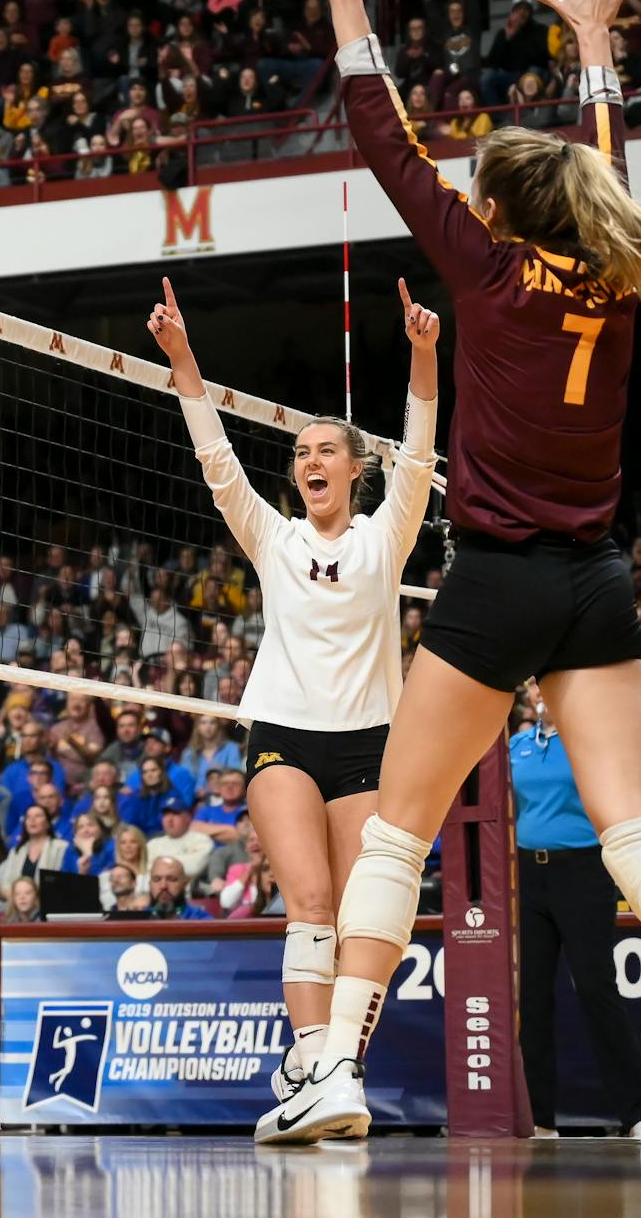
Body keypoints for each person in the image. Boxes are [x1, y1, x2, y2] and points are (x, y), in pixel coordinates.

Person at [282, 0, 641, 1147]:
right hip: (595, 581)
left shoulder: (488, 271)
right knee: (637, 830)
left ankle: (335, 1073)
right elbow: (609, 173)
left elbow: (385, 140)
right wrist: (598, 49)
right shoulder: (613, 270)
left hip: (496, 582)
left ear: (498, 213)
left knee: (396, 834)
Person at [147, 267, 438, 1144]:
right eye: (302, 451)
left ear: (356, 468)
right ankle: (314, 1068)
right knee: (309, 898)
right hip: (282, 732)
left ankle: (330, 1067)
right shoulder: (271, 537)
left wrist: (423, 355)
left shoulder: (386, 535)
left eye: (325, 450)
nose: (310, 460)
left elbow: (419, 449)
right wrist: (183, 356)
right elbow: (216, 460)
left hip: (367, 742)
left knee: (359, 914)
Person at [509, 696, 641, 1136]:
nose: (542, 694)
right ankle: (538, 1119)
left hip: (583, 868)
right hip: (527, 873)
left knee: (597, 989)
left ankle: (639, 1112)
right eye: (535, 685)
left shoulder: (589, 738)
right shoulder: (518, 744)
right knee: (531, 998)